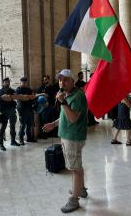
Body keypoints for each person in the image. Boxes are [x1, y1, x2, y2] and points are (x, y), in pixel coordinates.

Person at [43, 69, 88, 213]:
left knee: (75, 169)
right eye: (60, 80)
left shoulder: (78, 96)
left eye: (66, 79)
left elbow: (73, 118)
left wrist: (62, 102)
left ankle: (74, 200)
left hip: (73, 137)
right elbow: (64, 116)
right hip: (67, 135)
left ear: (73, 81)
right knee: (75, 165)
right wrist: (53, 124)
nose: (62, 82)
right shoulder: (67, 95)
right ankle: (80, 189)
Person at [0, 78, 21, 150]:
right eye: (6, 82)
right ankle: (1, 144)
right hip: (3, 111)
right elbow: (1, 99)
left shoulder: (12, 90)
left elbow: (16, 97)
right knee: (2, 127)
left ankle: (13, 141)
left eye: (8, 82)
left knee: (13, 126)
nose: (7, 83)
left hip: (11, 110)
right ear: (3, 83)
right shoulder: (0, 91)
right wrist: (10, 97)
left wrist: (8, 97)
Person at [16, 77, 37, 145]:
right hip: (22, 109)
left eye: (25, 82)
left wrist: (28, 97)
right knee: (22, 125)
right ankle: (21, 139)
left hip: (29, 108)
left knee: (29, 124)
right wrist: (28, 97)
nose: (24, 83)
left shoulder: (28, 89)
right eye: (23, 82)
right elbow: (22, 98)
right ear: (20, 82)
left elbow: (33, 96)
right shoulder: (18, 89)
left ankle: (29, 138)